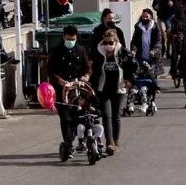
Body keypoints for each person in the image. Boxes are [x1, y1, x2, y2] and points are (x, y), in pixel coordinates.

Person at [48, 25, 91, 159]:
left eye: (73, 39)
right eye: (68, 39)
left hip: (78, 89)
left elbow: (87, 68)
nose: (70, 41)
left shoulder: (81, 50)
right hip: (62, 90)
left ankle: (83, 140)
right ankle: (68, 143)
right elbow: (50, 71)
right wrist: (60, 80)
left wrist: (86, 76)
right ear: (63, 37)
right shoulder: (56, 51)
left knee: (82, 116)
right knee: (66, 118)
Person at [90, 29, 130, 155]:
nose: (108, 45)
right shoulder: (98, 52)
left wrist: (129, 80)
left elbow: (131, 65)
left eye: (111, 42)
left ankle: (116, 141)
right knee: (107, 115)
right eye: (106, 42)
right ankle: (109, 143)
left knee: (116, 116)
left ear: (115, 41)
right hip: (104, 88)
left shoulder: (122, 52)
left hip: (118, 88)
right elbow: (93, 70)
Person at [130, 8, 164, 78]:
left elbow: (159, 41)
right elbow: (134, 41)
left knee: (152, 78)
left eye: (146, 17)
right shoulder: (138, 27)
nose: (145, 18)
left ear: (151, 17)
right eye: (143, 17)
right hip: (141, 56)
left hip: (153, 57)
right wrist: (133, 50)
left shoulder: (156, 27)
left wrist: (154, 51)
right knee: (141, 76)